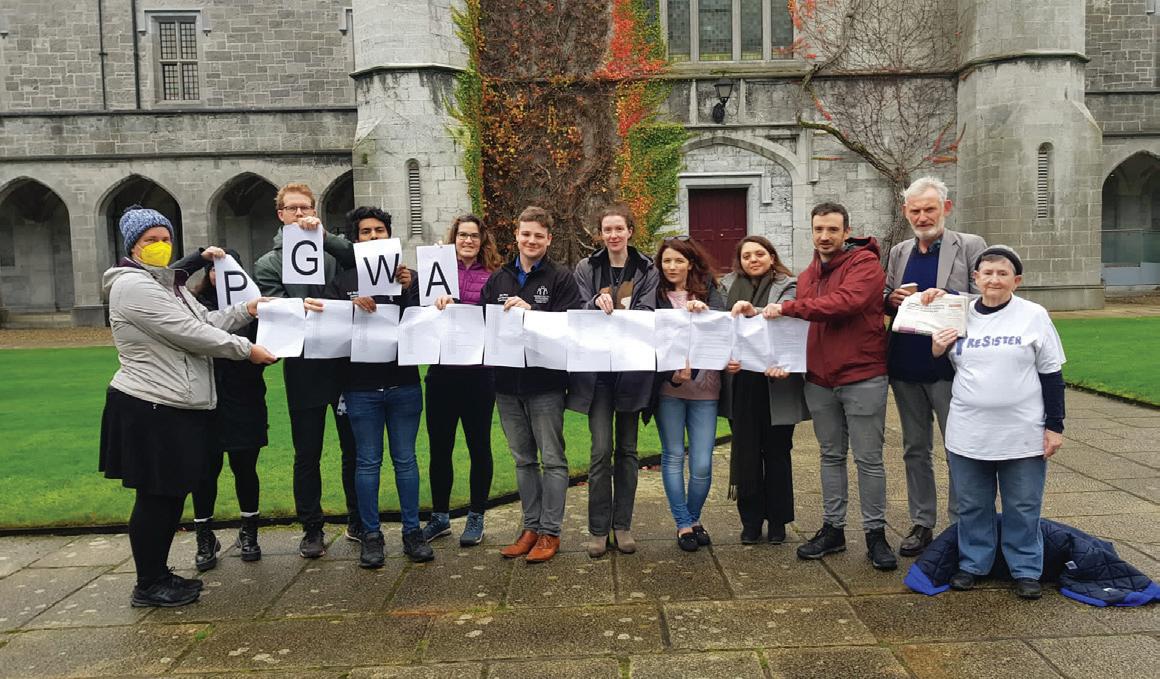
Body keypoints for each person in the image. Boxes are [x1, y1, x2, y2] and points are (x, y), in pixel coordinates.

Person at [99, 206, 276, 607]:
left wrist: (247, 309)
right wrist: (247, 350)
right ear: (133, 246)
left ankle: (158, 575)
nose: (161, 246)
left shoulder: (166, 285)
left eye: (165, 239)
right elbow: (190, 333)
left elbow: (207, 321)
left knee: (171, 494)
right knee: (156, 497)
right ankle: (148, 584)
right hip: (151, 404)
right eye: (151, 240)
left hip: (175, 403)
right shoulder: (133, 286)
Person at [764, 202, 897, 571]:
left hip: (862, 375)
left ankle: (876, 535)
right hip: (821, 380)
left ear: (846, 232)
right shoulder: (808, 274)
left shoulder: (865, 264)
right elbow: (799, 323)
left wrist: (790, 308)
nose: (824, 236)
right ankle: (833, 529)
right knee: (830, 456)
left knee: (868, 460)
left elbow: (845, 303)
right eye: (818, 229)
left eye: (832, 230)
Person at [929, 246, 1066, 600]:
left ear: (1016, 281)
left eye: (1002, 274)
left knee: (1023, 505)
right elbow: (945, 369)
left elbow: (1052, 374)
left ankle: (1026, 568)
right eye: (987, 273)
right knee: (973, 504)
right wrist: (937, 350)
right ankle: (974, 564)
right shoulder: (957, 314)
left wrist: (1055, 426)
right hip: (969, 430)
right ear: (975, 278)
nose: (994, 279)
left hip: (1021, 431)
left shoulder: (1033, 315)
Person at [316, 206, 431, 567]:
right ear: (356, 240)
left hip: (403, 384)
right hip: (361, 388)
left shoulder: (408, 278)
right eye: (366, 232)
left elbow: (426, 323)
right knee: (367, 462)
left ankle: (412, 532)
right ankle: (371, 535)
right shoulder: (342, 283)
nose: (373, 236)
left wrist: (411, 290)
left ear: (388, 235)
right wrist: (350, 307)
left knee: (405, 460)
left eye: (379, 230)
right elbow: (328, 331)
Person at [254, 182, 360, 559]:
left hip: (343, 363)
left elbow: (359, 263)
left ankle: (358, 520)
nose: (300, 214)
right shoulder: (268, 263)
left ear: (315, 211)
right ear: (280, 215)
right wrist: (300, 306)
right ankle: (312, 528)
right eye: (292, 209)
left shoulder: (332, 252)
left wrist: (326, 238)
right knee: (307, 452)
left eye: (306, 208)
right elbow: (273, 309)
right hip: (303, 368)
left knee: (354, 449)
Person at [884, 176, 987, 557]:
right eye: (915, 210)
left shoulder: (970, 245)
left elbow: (989, 295)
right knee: (915, 449)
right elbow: (886, 295)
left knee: (957, 448)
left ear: (946, 207)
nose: (922, 216)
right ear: (905, 212)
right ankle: (921, 522)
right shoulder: (899, 251)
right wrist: (890, 298)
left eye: (929, 209)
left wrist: (952, 297)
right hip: (905, 364)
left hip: (949, 367)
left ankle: (960, 525)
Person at [478, 206, 584, 563]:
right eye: (526, 234)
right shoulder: (499, 278)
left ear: (549, 239)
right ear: (516, 235)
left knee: (552, 460)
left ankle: (550, 532)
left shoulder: (561, 278)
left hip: (545, 383)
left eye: (539, 235)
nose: (531, 240)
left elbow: (569, 327)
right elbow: (481, 322)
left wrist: (533, 314)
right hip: (506, 384)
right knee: (523, 460)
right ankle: (530, 528)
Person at [568, 205, 659, 558]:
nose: (613, 235)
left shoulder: (646, 268)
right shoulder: (586, 268)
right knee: (600, 450)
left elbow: (648, 312)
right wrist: (594, 301)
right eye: (607, 229)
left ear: (630, 231)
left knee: (628, 451)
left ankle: (622, 525)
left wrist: (624, 313)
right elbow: (576, 308)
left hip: (632, 370)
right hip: (597, 374)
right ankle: (597, 528)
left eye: (619, 228)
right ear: (601, 233)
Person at [172, 247, 270, 571]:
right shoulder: (194, 304)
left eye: (228, 269)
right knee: (204, 471)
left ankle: (249, 533)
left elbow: (271, 346)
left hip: (244, 396)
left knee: (245, 468)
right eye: (214, 269)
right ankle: (204, 537)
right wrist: (200, 255)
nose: (220, 275)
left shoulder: (257, 307)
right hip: (205, 400)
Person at [723, 236, 810, 546]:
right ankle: (750, 521)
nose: (753, 260)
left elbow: (787, 316)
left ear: (772, 257)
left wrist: (753, 310)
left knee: (777, 453)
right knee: (745, 451)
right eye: (746, 255)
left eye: (759, 253)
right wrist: (725, 360)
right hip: (742, 383)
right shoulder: (727, 285)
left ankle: (777, 521)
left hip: (777, 383)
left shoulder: (789, 284)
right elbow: (722, 330)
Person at [423, 215, 503, 546]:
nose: (467, 241)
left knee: (479, 446)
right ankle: (440, 517)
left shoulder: (494, 275)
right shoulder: (437, 270)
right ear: (453, 238)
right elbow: (419, 308)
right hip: (442, 372)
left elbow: (496, 317)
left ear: (482, 240)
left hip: (479, 374)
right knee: (440, 448)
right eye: (462, 235)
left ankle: (476, 516)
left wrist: (467, 308)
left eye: (473, 236)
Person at [651, 236, 726, 552]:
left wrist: (704, 311)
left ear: (691, 263)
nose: (672, 266)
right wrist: (670, 372)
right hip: (668, 389)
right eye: (666, 261)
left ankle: (693, 517)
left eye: (678, 260)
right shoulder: (654, 294)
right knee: (672, 456)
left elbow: (724, 329)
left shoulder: (711, 292)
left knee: (702, 463)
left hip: (705, 389)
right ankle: (684, 524)